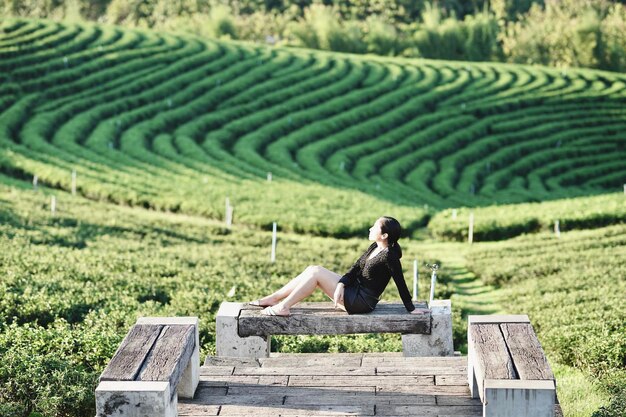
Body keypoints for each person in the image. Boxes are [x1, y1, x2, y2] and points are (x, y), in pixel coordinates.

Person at [249, 216, 429, 316]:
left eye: (374, 227)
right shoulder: (374, 246)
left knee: (316, 274)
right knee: (313, 269)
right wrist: (341, 284)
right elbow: (355, 268)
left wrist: (411, 309)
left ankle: (283, 306)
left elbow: (400, 282)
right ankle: (274, 299)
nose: (370, 229)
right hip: (353, 290)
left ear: (384, 235)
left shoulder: (389, 256)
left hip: (362, 302)